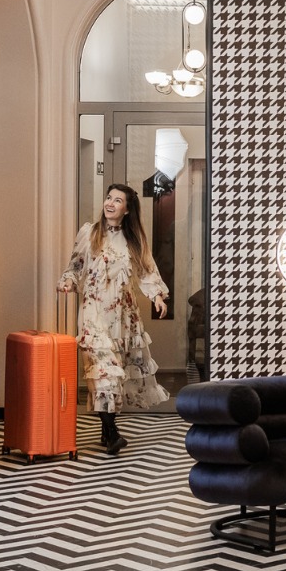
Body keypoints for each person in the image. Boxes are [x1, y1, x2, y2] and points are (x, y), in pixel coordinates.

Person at [57, 184, 170, 455]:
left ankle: (107, 431)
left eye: (117, 200)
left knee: (114, 376)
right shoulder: (90, 232)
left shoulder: (134, 240)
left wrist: (157, 296)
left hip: (123, 317)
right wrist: (68, 282)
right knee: (102, 371)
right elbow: (75, 266)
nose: (110, 203)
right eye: (108, 198)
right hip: (94, 312)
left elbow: (146, 271)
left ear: (127, 209)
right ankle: (113, 434)